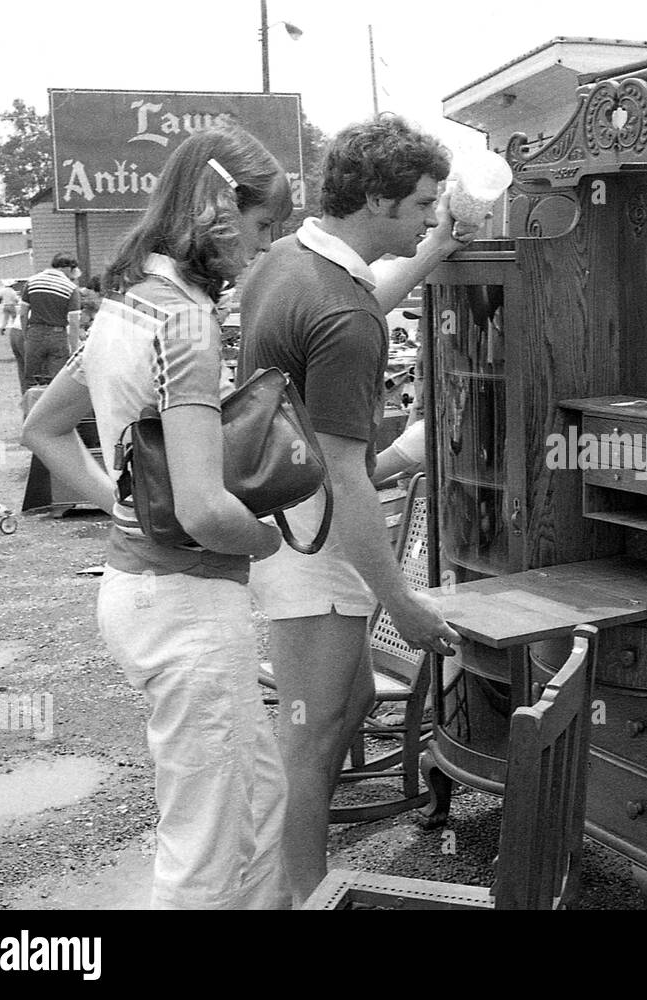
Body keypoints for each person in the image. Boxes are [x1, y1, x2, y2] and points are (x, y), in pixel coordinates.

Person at [21, 123, 294, 909]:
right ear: (219, 207)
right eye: (261, 224)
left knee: (256, 799)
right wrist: (266, 536)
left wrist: (122, 500)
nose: (262, 245)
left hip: (135, 591)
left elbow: (42, 422)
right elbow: (209, 510)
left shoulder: (129, 308)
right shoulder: (186, 321)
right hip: (188, 602)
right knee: (202, 852)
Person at [238, 113, 474, 904]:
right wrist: (401, 602)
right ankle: (301, 894)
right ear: (376, 199)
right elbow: (348, 476)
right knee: (309, 738)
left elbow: (359, 297)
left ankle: (294, 877)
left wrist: (434, 252)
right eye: (420, 205)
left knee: (355, 700)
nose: (429, 215)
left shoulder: (288, 261)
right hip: (311, 538)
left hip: (279, 518)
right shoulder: (346, 316)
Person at [18, 253, 82, 386]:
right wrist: (74, 348)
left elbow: (23, 313)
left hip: (35, 333)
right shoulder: (71, 288)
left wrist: (26, 335)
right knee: (56, 382)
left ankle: (32, 405)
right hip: (58, 335)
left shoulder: (32, 282)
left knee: (33, 379)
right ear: (69, 268)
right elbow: (74, 322)